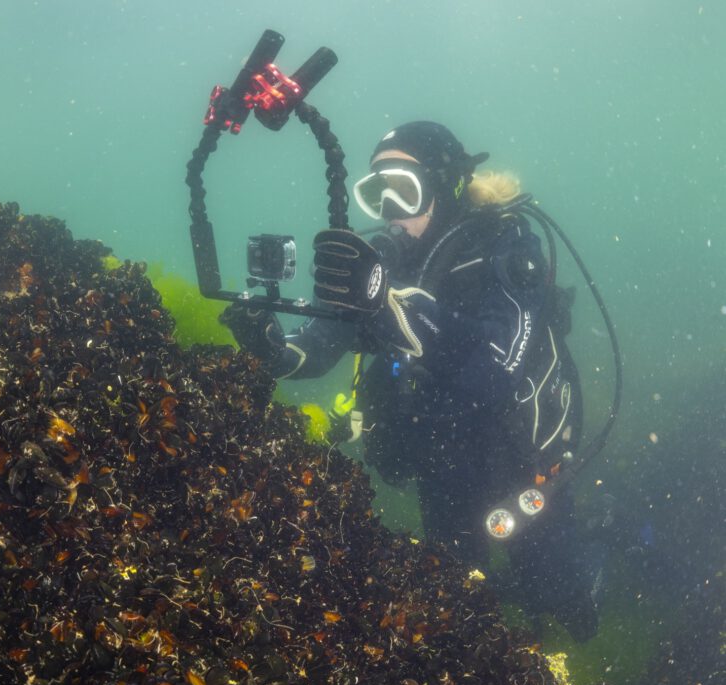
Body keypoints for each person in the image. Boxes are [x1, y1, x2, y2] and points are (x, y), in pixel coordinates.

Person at [221, 121, 599, 642]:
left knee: (566, 604)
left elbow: (491, 374)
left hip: (518, 461)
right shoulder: (379, 265)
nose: (393, 208)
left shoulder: (506, 250)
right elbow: (317, 346)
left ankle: (609, 553)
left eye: (406, 187)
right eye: (378, 192)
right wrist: (271, 348)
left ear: (445, 187)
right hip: (440, 458)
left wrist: (387, 303)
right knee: (458, 603)